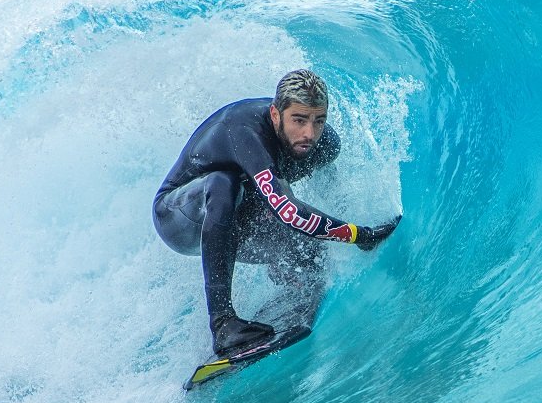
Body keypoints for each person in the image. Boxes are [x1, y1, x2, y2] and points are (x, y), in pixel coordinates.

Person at [153, 70, 401, 355]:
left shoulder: (322, 143)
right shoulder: (245, 132)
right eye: (298, 120)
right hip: (179, 216)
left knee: (310, 251)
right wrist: (359, 234)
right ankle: (222, 324)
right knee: (224, 184)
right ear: (275, 114)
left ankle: (289, 290)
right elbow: (289, 212)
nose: (309, 133)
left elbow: (313, 200)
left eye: (318, 120)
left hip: (236, 214)